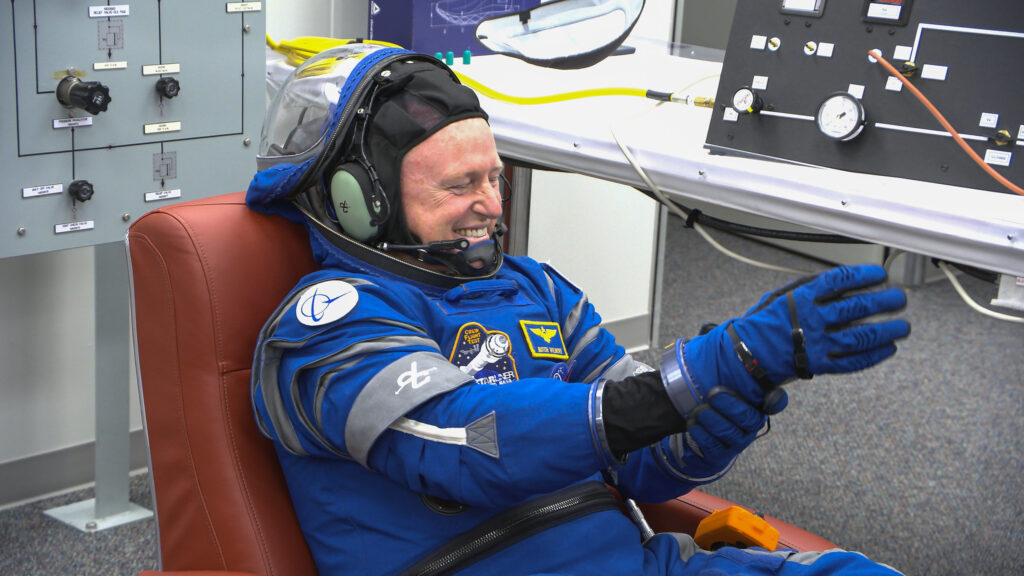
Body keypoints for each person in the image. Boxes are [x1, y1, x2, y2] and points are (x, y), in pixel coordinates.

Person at [246, 44, 911, 576]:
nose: (491, 203)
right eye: (459, 185)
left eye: (494, 177)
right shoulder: (327, 327)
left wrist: (739, 383)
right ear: (361, 201)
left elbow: (648, 460)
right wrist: (700, 371)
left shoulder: (538, 289)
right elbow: (471, 442)